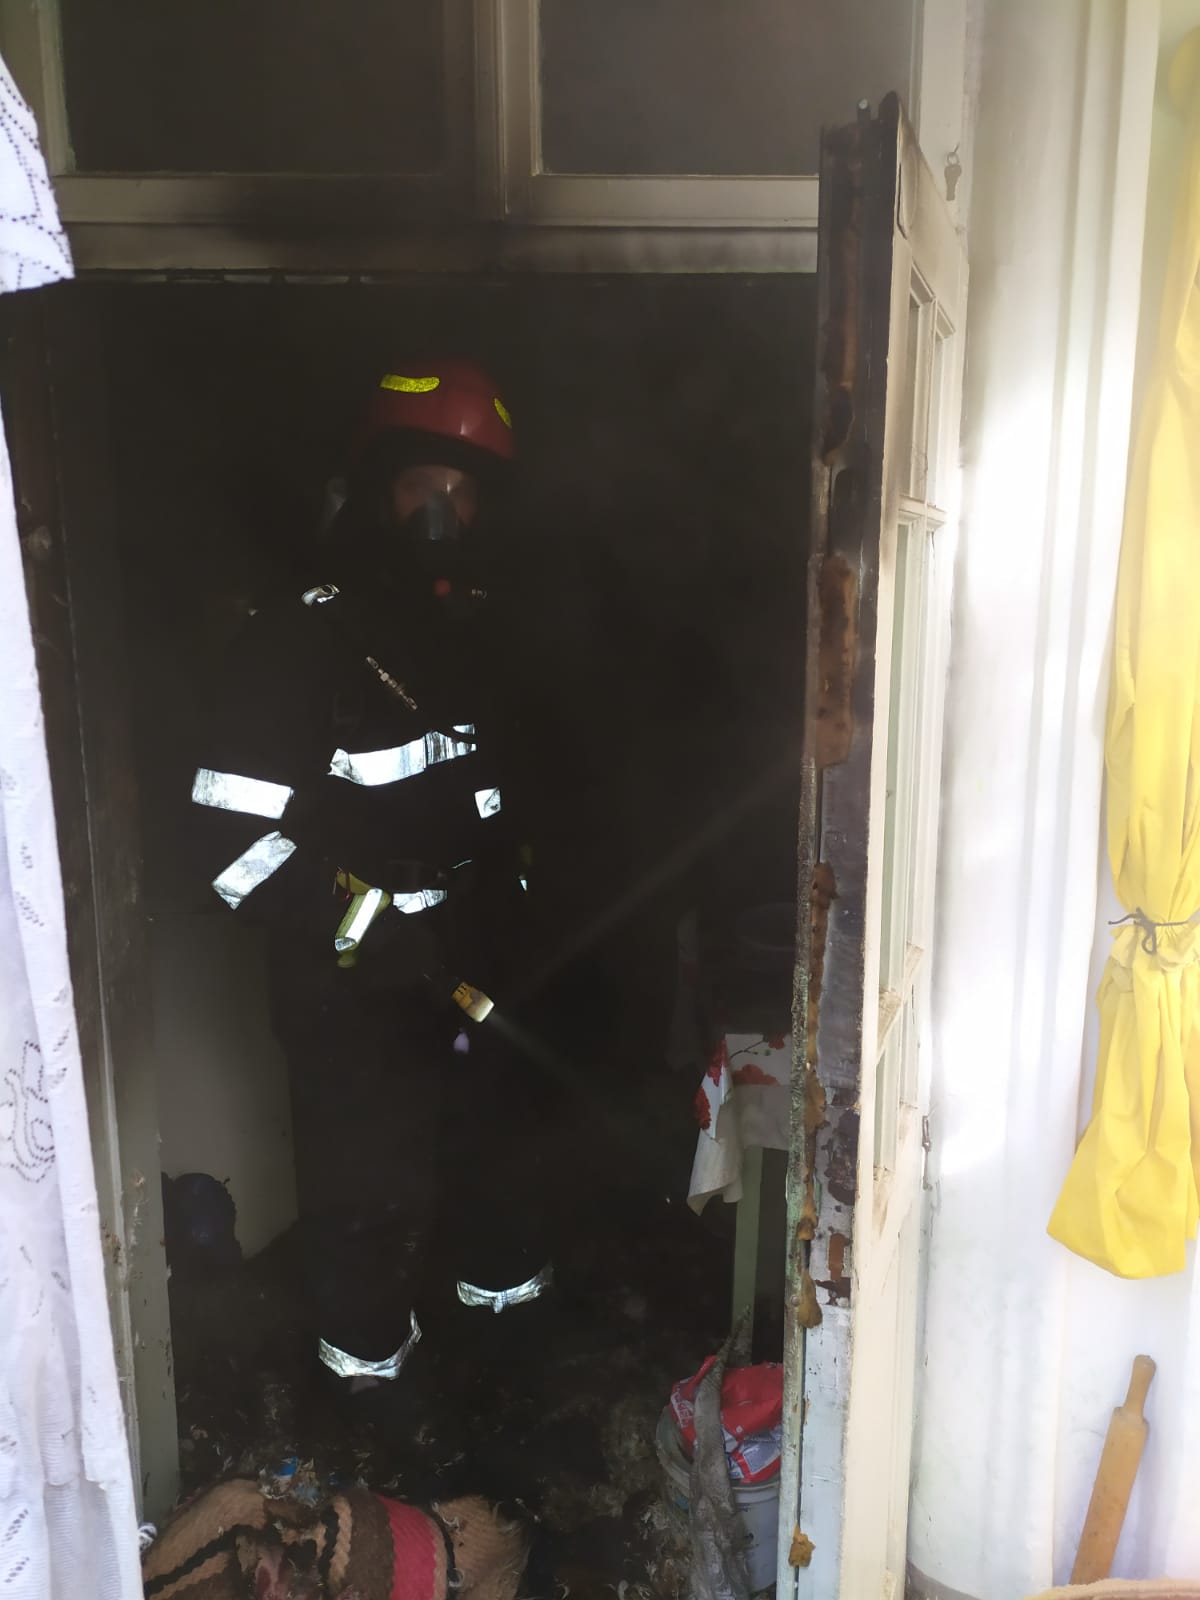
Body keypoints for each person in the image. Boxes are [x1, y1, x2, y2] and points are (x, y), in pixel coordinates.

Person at [189, 358, 553, 1402]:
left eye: (463, 491)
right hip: (349, 984)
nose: (442, 512)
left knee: (499, 1157)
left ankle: (512, 1359)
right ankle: (372, 1394)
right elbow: (227, 849)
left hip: (467, 960)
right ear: (373, 490)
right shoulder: (296, 642)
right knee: (364, 1198)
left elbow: (510, 793)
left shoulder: (478, 632)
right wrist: (365, 928)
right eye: (420, 484)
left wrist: (511, 906)